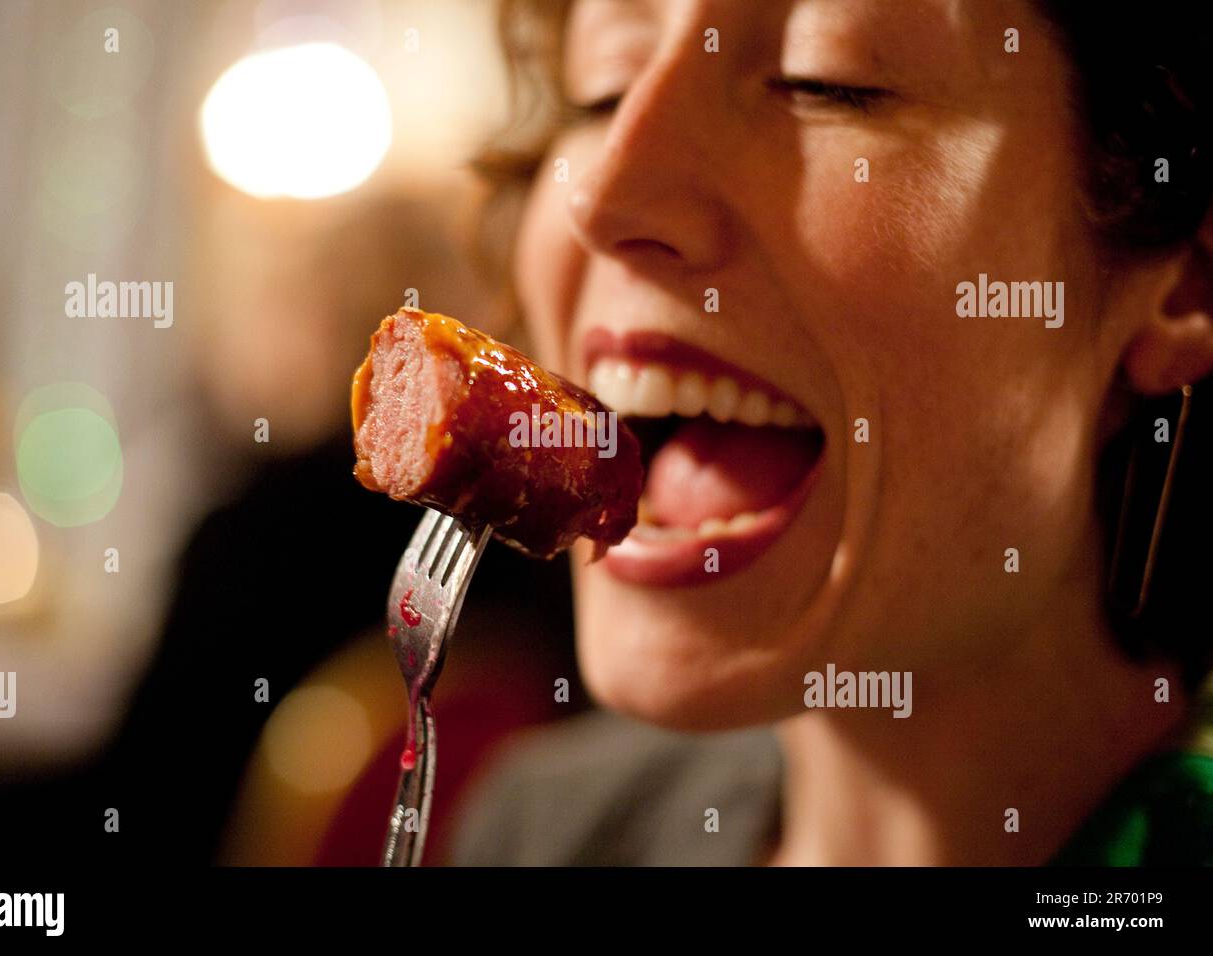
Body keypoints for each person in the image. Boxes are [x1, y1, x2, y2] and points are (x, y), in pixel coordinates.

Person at [450, 0, 1213, 865]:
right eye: (603, 87)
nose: (603, 195)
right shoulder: (539, 830)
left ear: (1185, 280)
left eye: (829, 81)